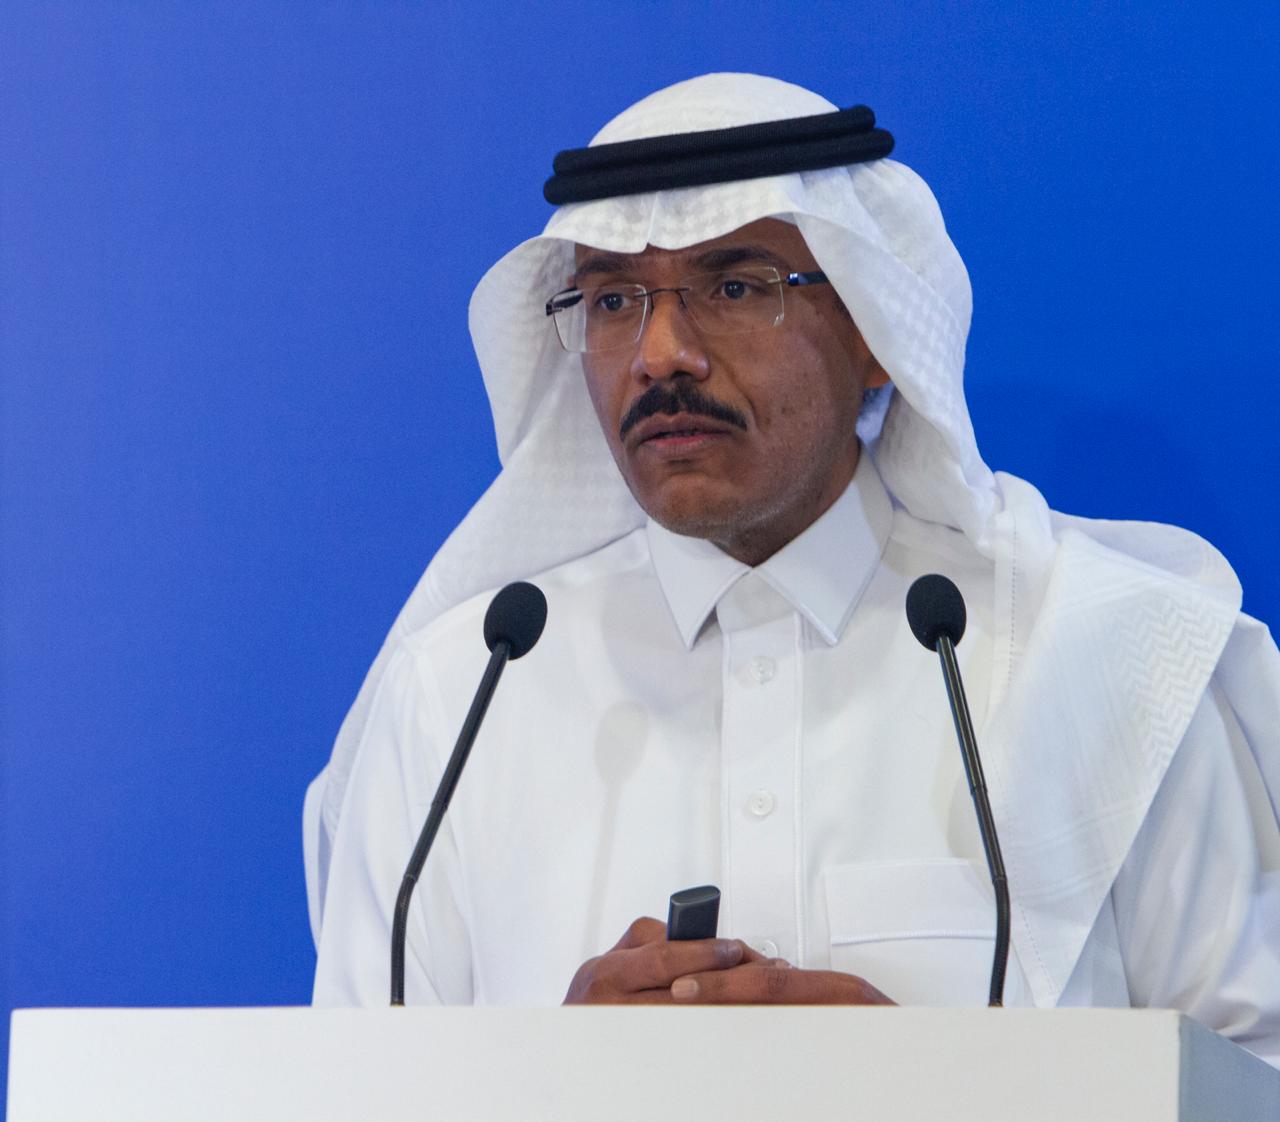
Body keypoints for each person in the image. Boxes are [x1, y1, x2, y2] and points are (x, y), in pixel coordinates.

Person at [305, 73, 1280, 1061]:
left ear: (874, 331)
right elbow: (343, 1094)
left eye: (735, 287)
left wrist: (944, 1092)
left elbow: (1257, 1075)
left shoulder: (1102, 656)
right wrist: (552, 1083)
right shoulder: (458, 699)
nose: (659, 354)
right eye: (613, 299)